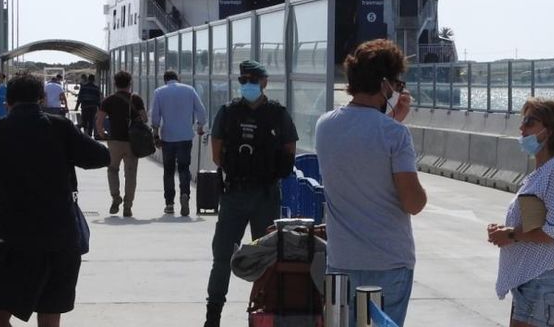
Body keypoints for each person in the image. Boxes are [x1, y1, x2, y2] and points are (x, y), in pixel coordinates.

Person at [0, 73, 110, 327]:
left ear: (7, 101)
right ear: (40, 99)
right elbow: (100, 157)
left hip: (15, 237)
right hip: (60, 235)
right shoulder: (60, 127)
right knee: (50, 315)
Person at [315, 38, 426, 327]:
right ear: (386, 85)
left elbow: (362, 141)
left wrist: (390, 122)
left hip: (341, 261)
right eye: (398, 84)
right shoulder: (395, 135)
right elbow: (413, 203)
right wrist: (394, 124)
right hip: (388, 263)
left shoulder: (324, 126)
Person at [203, 60, 298, 327]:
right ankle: (213, 315)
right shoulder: (228, 112)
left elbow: (289, 147)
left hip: (265, 195)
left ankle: (263, 313)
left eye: (253, 81)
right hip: (235, 194)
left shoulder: (277, 114)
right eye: (243, 81)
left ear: (264, 82)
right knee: (222, 256)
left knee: (267, 257)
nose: (247, 86)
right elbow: (217, 152)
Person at [487, 97, 554, 327]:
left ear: (548, 131)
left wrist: (511, 235)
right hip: (531, 284)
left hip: (540, 285)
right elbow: (538, 223)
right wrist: (505, 231)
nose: (521, 128)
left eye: (529, 122)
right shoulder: (544, 172)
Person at [150, 70, 207, 216]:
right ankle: (185, 195)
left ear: (165, 80)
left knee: (168, 171)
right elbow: (201, 110)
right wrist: (200, 126)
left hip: (168, 137)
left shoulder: (159, 92)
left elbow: (155, 116)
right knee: (184, 168)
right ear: (178, 78)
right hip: (185, 136)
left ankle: (169, 203)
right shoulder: (189, 90)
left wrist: (155, 134)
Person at [96, 70, 147, 218]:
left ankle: (115, 197)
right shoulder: (136, 99)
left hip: (114, 141)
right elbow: (144, 118)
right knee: (130, 175)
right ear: (130, 83)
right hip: (132, 143)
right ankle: (128, 206)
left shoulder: (108, 100)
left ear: (115, 83)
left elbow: (99, 120)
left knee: (112, 170)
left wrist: (102, 133)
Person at [75, 74, 102, 138]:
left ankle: (85, 134)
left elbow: (79, 98)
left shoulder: (83, 87)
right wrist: (100, 108)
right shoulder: (96, 88)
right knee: (91, 121)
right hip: (93, 108)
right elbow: (98, 99)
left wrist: (76, 107)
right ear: (94, 80)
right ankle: (89, 135)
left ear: (88, 79)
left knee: (84, 121)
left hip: (85, 107)